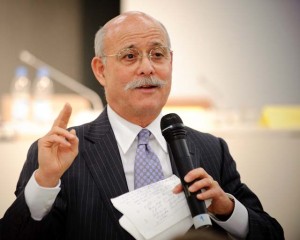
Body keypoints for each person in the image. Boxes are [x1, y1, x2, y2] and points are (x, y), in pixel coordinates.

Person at [1, 11, 284, 240]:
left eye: (158, 55)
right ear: (101, 70)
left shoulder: (211, 149)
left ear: (171, 63)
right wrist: (45, 183)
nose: (147, 67)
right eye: (130, 56)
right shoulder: (61, 154)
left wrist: (227, 209)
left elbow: (272, 233)